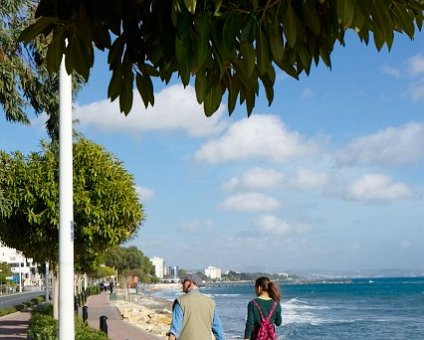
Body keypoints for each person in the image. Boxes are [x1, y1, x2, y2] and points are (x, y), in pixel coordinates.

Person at [167, 273, 225, 340]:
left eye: (184, 281)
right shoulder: (210, 303)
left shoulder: (181, 302)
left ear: (191, 283)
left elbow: (174, 331)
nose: (182, 284)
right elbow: (219, 333)